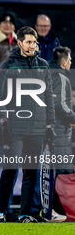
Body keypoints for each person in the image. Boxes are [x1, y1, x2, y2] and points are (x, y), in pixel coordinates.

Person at [0, 26, 55, 223]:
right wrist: (3, 121)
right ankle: (1, 212)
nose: (32, 46)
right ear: (19, 43)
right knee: (10, 170)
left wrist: (49, 125)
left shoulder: (44, 65)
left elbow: (48, 98)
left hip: (37, 129)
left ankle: (25, 214)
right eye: (28, 42)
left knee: (30, 172)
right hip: (13, 128)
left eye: (34, 42)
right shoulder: (6, 66)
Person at [49, 46, 75, 221]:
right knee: (60, 171)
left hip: (52, 129)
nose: (71, 63)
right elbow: (61, 106)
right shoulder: (61, 77)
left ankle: (53, 209)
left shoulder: (48, 75)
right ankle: (57, 210)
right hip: (59, 130)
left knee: (53, 170)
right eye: (70, 60)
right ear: (65, 62)